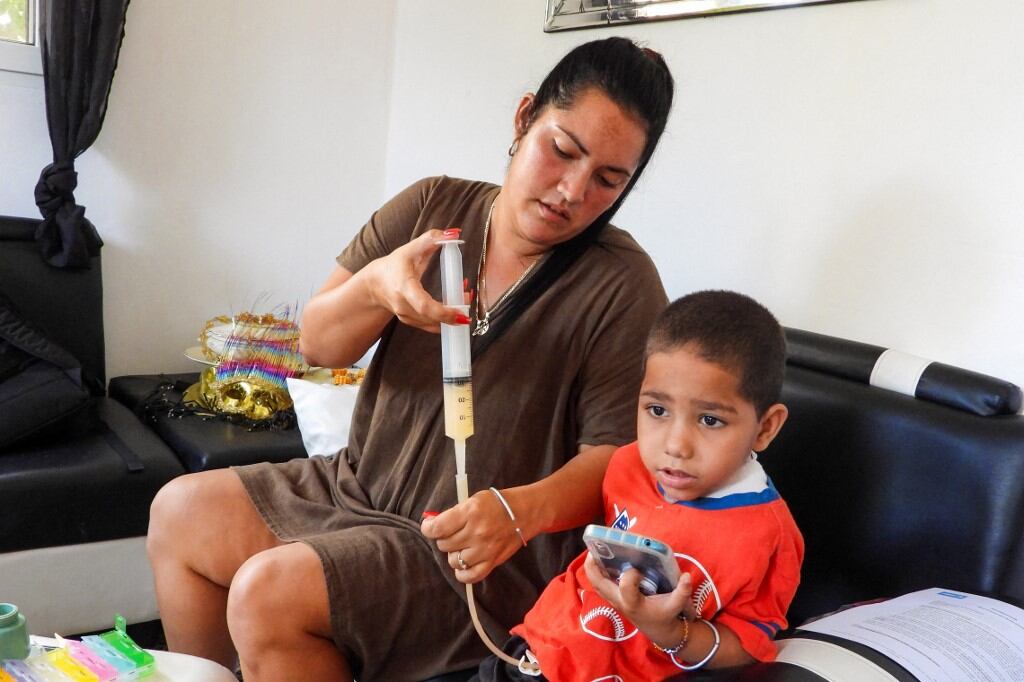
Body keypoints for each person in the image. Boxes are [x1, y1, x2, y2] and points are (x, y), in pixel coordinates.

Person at [146, 37, 674, 682]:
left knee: (269, 593)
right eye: (562, 150)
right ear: (524, 118)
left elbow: (615, 459)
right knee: (179, 512)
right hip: (355, 489)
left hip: (473, 556)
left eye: (608, 180)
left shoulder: (621, 285)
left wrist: (519, 512)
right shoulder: (432, 208)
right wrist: (374, 288)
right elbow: (318, 345)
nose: (572, 190)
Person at [471, 290, 805, 681]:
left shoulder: (769, 537)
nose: (675, 446)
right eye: (657, 410)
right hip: (532, 652)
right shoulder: (629, 464)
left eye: (710, 420)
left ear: (765, 428)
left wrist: (669, 632)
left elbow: (746, 649)